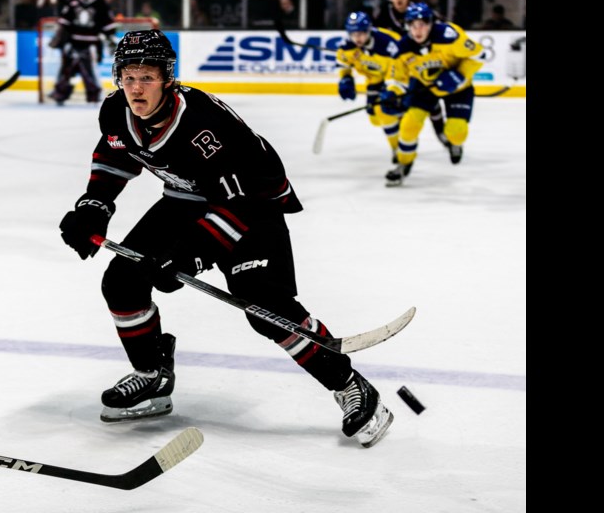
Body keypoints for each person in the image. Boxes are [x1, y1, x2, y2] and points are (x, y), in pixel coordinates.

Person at [57, 29, 394, 448]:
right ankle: (153, 374)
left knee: (264, 304)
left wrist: (188, 256)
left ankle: (349, 384)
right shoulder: (115, 110)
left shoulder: (204, 127)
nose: (136, 87)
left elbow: (241, 202)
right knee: (123, 281)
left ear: (167, 78)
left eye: (146, 76)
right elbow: (113, 153)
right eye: (128, 76)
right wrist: (94, 206)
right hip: (187, 200)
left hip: (255, 203)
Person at [381, 3, 485, 186]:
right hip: (425, 87)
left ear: (431, 24)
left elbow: (479, 55)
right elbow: (398, 78)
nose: (417, 30)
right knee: (408, 125)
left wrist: (458, 75)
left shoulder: (449, 36)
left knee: (456, 132)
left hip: (458, 88)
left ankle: (455, 143)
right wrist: (392, 92)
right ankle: (403, 165)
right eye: (413, 25)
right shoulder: (403, 47)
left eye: (422, 24)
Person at [374, 0, 450, 151]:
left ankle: (441, 133)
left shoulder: (421, 12)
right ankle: (406, 140)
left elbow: (443, 28)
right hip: (399, 66)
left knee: (429, 100)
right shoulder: (384, 15)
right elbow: (375, 38)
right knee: (397, 101)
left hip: (422, 64)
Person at [335, 12, 403, 162]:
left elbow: (400, 67)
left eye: (361, 33)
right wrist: (346, 79)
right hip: (375, 80)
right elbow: (343, 63)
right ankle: (398, 118)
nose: (357, 38)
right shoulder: (347, 46)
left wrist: (392, 90)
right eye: (353, 34)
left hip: (398, 79)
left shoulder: (387, 43)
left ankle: (398, 149)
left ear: (369, 30)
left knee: (384, 111)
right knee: (374, 117)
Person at [47, 0, 117, 104]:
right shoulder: (73, 0)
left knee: (89, 71)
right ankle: (60, 92)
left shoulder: (101, 3)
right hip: (73, 42)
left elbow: (108, 25)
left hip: (92, 44)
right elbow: (64, 22)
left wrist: (110, 40)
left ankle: (94, 94)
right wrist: (59, 37)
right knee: (66, 69)